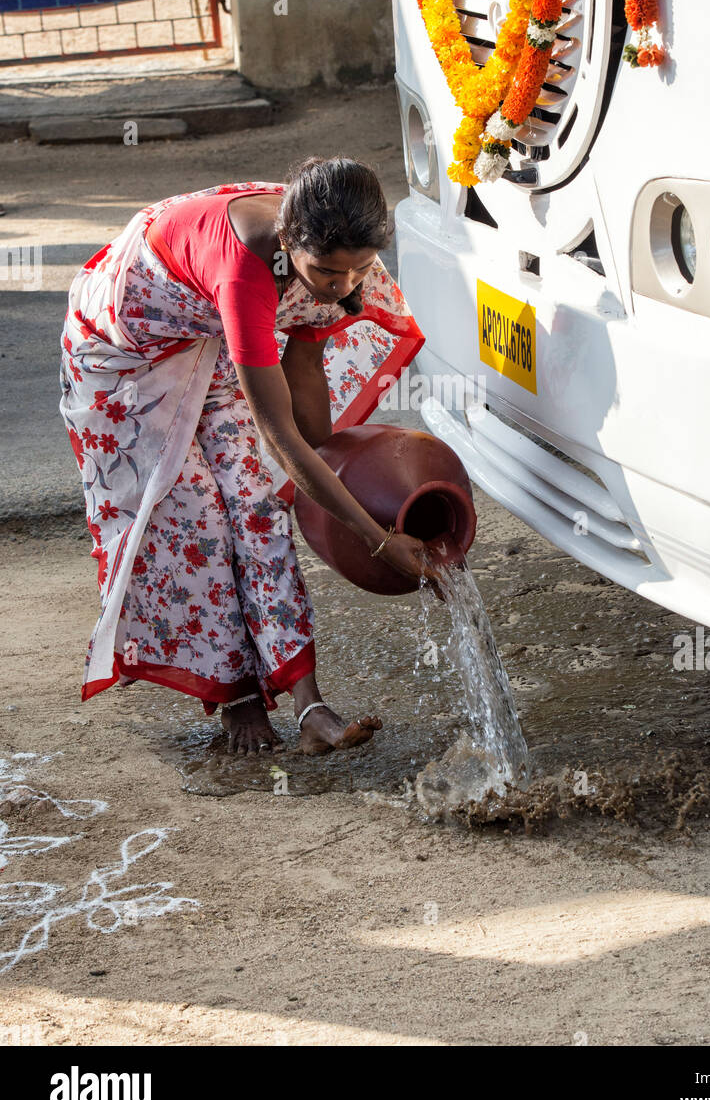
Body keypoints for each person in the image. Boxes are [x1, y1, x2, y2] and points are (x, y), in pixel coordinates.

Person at [60, 158, 435, 755]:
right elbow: (281, 438)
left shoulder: (338, 245)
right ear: (289, 243)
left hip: (207, 332)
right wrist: (377, 539)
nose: (345, 287)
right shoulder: (246, 272)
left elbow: (306, 377)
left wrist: (339, 484)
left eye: (359, 271)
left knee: (257, 504)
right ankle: (235, 696)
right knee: (195, 517)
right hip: (126, 351)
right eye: (329, 273)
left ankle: (311, 708)